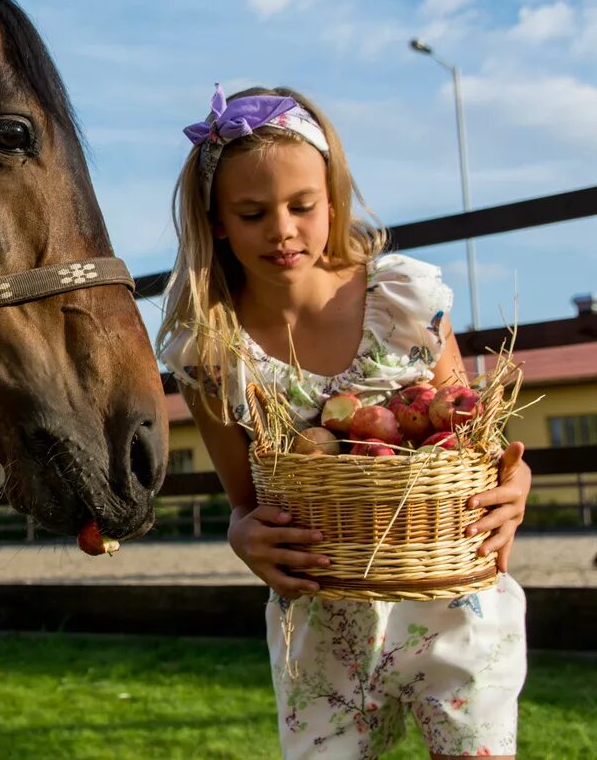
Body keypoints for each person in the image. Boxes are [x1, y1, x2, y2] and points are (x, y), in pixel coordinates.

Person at [157, 84, 532, 759]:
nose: (283, 230)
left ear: (334, 198)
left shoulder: (405, 303)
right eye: (252, 212)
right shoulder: (212, 353)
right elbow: (244, 503)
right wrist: (243, 535)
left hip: (454, 608)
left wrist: (517, 478)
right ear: (216, 222)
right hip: (322, 626)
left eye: (303, 205)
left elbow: (474, 442)